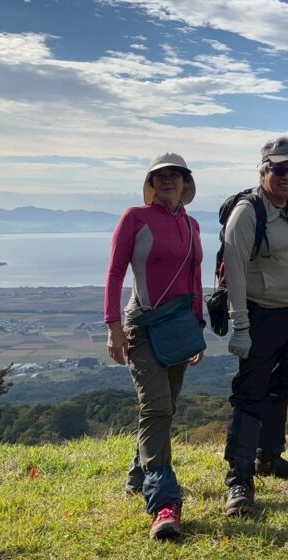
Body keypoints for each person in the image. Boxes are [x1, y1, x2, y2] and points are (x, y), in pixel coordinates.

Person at [104, 153, 205, 541]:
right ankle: (164, 502)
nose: (167, 180)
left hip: (179, 326)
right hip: (143, 325)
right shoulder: (135, 218)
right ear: (151, 183)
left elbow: (195, 278)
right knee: (157, 407)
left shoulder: (192, 225)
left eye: (175, 175)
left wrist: (197, 327)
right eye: (160, 175)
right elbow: (115, 273)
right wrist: (113, 327)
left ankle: (137, 476)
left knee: (165, 409)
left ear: (185, 183)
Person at [222, 136, 288, 515]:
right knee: (251, 393)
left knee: (283, 386)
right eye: (279, 169)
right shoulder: (248, 212)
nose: (287, 176)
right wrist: (240, 325)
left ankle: (270, 456)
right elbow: (234, 271)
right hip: (260, 314)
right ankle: (239, 479)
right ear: (263, 169)